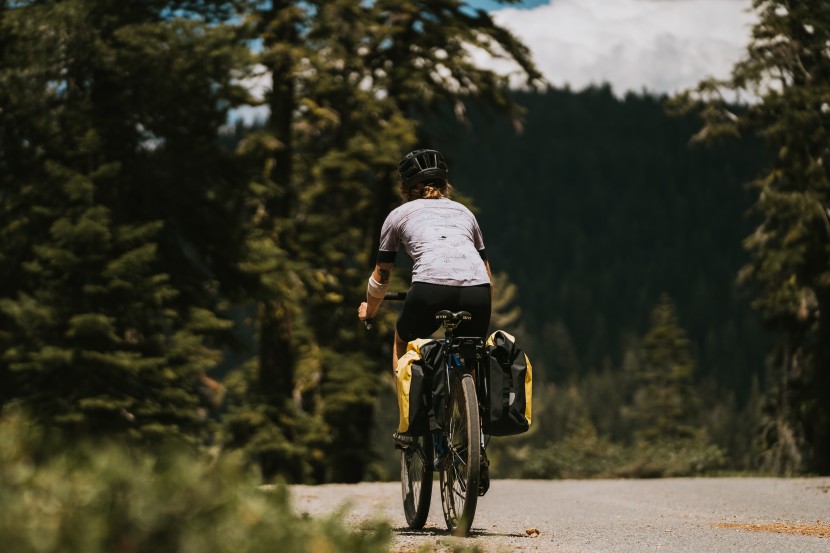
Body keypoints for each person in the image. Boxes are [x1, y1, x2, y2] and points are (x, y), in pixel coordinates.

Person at [357, 148, 494, 376]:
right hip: (477, 290)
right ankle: (473, 407)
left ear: (407, 187)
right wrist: (482, 310)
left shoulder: (398, 215)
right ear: (443, 183)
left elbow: (382, 275)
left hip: (430, 289)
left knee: (402, 341)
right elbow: (487, 274)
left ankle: (408, 408)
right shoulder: (465, 212)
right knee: (470, 358)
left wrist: (370, 311)